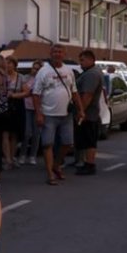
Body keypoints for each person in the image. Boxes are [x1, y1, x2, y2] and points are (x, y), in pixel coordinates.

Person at [32, 43, 84, 185]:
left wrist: (80, 109)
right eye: (55, 51)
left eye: (60, 52)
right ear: (51, 53)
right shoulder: (43, 71)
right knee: (47, 144)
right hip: (48, 114)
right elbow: (35, 94)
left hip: (66, 114)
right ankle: (50, 174)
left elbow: (74, 92)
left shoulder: (69, 71)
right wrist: (38, 114)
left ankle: (56, 165)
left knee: (68, 143)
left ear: (64, 54)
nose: (57, 54)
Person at [74, 49, 103, 176]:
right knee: (85, 139)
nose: (81, 63)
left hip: (89, 113)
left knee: (89, 140)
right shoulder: (88, 72)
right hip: (88, 112)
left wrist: (81, 111)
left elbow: (88, 95)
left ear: (91, 60)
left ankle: (90, 164)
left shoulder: (92, 74)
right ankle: (85, 162)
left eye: (83, 60)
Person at [19, 59, 43, 165]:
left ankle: (33, 155)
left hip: (38, 108)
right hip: (27, 107)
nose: (35, 70)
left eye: (38, 69)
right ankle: (22, 155)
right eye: (34, 68)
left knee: (36, 133)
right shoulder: (26, 78)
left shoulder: (42, 80)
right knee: (27, 133)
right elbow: (26, 91)